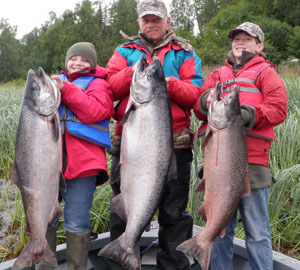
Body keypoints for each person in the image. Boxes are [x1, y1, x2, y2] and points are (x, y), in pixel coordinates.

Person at [105, 0, 204, 269]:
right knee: (124, 212)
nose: (151, 24)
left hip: (176, 146)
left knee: (174, 215)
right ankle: (123, 254)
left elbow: (196, 93)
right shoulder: (123, 52)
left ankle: (172, 265)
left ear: (167, 22)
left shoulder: (184, 53)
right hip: (129, 147)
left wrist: (168, 83)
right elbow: (109, 89)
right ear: (139, 23)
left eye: (156, 20)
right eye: (146, 20)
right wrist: (133, 71)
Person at [193, 22, 288, 270]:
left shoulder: (266, 73)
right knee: (220, 231)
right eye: (236, 38)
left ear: (260, 45)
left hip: (253, 163)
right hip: (217, 165)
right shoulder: (217, 75)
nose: (240, 42)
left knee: (257, 232)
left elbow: (279, 109)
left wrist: (248, 114)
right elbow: (198, 106)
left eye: (247, 39)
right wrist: (206, 100)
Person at [48, 42, 114, 269]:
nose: (78, 63)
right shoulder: (53, 84)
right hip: (48, 167)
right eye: (73, 58)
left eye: (84, 60)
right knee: (45, 220)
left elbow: (95, 111)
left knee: (77, 224)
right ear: (66, 61)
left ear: (93, 63)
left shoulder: (99, 84)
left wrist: (65, 90)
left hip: (82, 167)